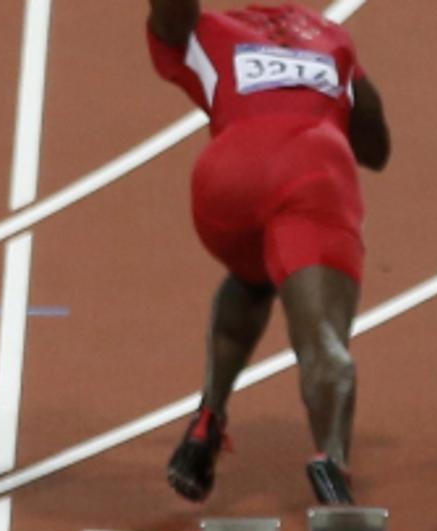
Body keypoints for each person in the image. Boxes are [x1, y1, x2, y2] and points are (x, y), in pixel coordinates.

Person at [146, 1, 389, 504]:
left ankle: (208, 418)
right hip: (312, 173)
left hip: (225, 185)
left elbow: (170, 14)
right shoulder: (333, 41)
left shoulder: (207, 30)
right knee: (325, 346)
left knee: (253, 275)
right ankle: (333, 467)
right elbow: (376, 146)